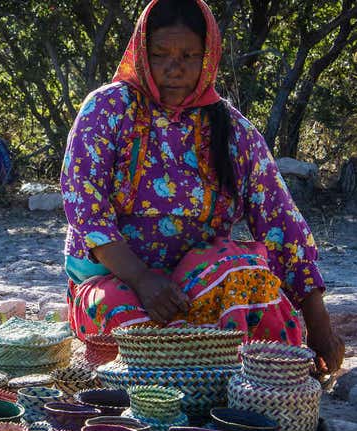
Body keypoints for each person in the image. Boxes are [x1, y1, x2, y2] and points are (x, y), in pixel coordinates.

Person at [61, 0, 345, 374]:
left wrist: (319, 325)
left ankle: (249, 374)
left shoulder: (234, 130)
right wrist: (143, 278)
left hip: (200, 284)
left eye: (189, 56)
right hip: (120, 281)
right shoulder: (107, 110)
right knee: (134, 336)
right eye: (160, 54)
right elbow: (85, 206)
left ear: (208, 58)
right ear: (141, 53)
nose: (173, 68)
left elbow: (280, 224)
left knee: (246, 275)